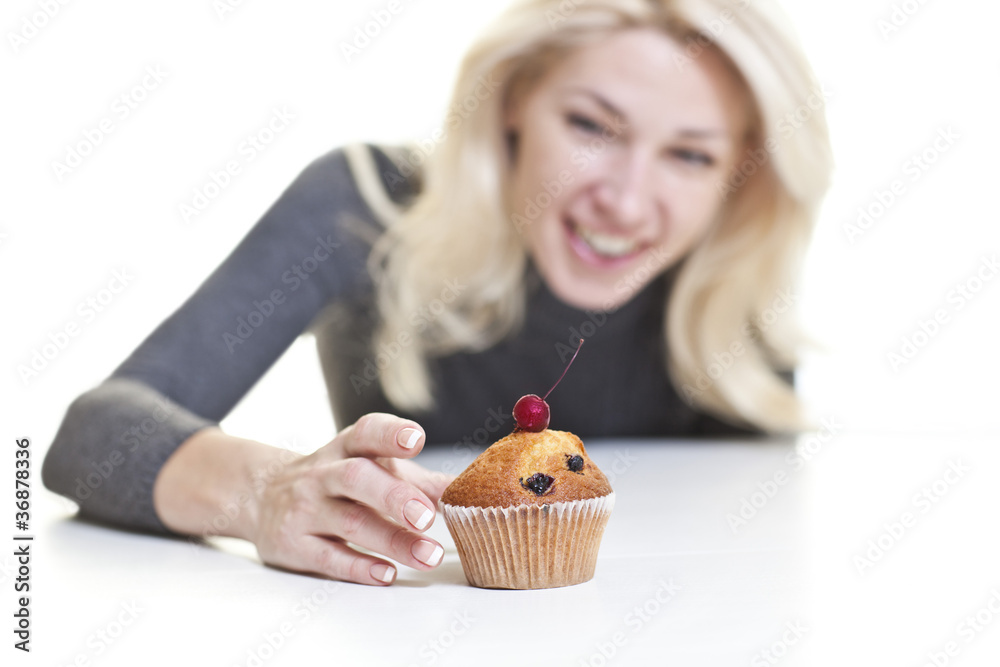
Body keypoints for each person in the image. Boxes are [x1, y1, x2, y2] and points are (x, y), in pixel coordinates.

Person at [42, 0, 832, 586]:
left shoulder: (727, 267)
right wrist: (264, 494)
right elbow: (89, 437)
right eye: (593, 125)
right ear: (517, 97)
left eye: (691, 156)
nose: (626, 203)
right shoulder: (362, 205)